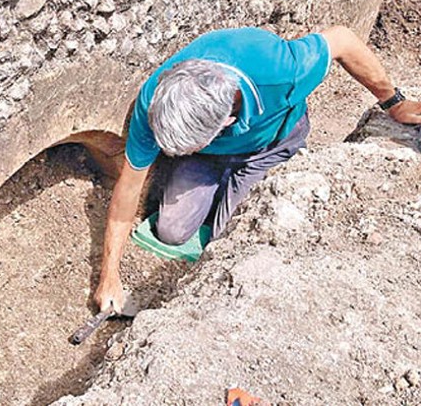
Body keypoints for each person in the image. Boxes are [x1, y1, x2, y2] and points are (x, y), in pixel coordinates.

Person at [94, 26, 421, 314]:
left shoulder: (280, 70)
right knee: (171, 231)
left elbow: (343, 40)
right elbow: (128, 187)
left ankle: (237, 186)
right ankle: (213, 183)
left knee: (232, 241)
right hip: (210, 156)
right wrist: (109, 276)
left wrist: (393, 102)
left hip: (268, 147)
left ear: (226, 122)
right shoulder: (158, 102)